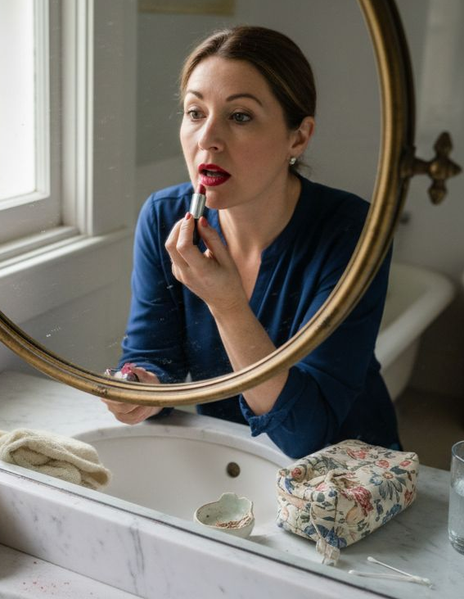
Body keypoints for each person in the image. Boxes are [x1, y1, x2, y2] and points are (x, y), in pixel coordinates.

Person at [102, 26, 400, 459]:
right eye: (194, 112)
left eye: (240, 116)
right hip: (230, 453)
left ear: (297, 137)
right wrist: (139, 389)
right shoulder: (164, 216)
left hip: (345, 474)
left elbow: (306, 434)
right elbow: (153, 357)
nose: (207, 140)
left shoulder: (353, 231)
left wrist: (227, 304)